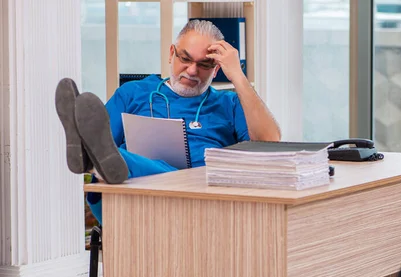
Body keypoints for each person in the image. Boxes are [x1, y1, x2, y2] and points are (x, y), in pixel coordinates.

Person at [55, 20, 281, 225]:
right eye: (185, 58)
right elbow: (102, 141)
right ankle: (98, 159)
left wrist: (238, 77)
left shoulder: (229, 103)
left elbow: (269, 142)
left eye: (204, 65)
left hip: (198, 203)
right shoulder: (133, 93)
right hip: (126, 197)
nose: (192, 71)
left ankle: (91, 159)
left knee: (169, 175)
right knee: (115, 156)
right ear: (171, 53)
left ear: (217, 69)